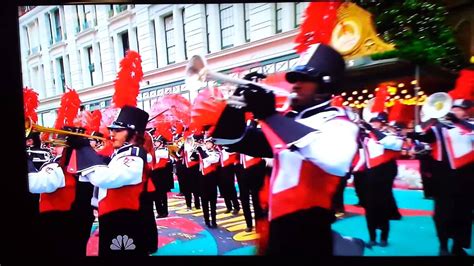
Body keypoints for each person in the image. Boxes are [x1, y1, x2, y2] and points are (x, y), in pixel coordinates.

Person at [211, 44, 360, 255]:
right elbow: (228, 140)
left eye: (304, 79)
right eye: (294, 79)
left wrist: (270, 116)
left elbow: (334, 160)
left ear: (326, 84)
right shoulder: (290, 120)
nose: (295, 85)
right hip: (277, 228)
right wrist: (236, 104)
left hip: (309, 234)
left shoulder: (341, 123)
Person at [70, 105, 158, 256]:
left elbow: (105, 178)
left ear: (134, 133)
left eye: (118, 130)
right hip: (112, 219)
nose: (112, 133)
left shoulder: (134, 155)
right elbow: (88, 179)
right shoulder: (120, 154)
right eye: (112, 130)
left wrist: (85, 148)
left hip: (123, 221)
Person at [410, 99, 473, 256]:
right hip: (443, 176)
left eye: (459, 109)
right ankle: (443, 245)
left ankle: (458, 246)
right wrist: (430, 120)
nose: (456, 111)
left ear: (465, 112)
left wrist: (457, 121)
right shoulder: (439, 127)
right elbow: (426, 137)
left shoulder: (470, 125)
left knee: (464, 213)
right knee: (442, 213)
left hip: (466, 176)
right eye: (454, 109)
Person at [26, 127, 96, 257]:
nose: (52, 147)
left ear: (67, 146)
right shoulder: (84, 165)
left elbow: (34, 184)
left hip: (56, 225)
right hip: (73, 224)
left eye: (56, 144)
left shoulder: (59, 167)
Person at [358, 112, 403, 247]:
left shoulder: (392, 134)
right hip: (369, 174)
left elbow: (393, 144)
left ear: (383, 123)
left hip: (384, 174)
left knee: (383, 205)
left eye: (377, 121)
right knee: (369, 207)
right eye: (372, 122)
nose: (374, 123)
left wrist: (372, 130)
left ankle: (383, 237)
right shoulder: (366, 136)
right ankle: (372, 237)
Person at [195, 137, 221, 228]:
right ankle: (207, 220)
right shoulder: (202, 152)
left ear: (213, 145)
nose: (207, 145)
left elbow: (210, 160)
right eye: (206, 143)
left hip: (212, 179)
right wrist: (194, 150)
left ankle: (214, 220)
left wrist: (201, 151)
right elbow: (192, 159)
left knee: (213, 202)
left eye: (209, 143)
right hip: (202, 179)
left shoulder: (216, 153)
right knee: (204, 201)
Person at [150, 137, 174, 218]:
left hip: (160, 174)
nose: (155, 143)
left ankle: (163, 211)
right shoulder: (156, 150)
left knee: (162, 194)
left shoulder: (163, 151)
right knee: (156, 194)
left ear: (162, 143)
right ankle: (160, 211)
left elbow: (155, 155)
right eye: (155, 142)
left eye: (157, 142)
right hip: (155, 174)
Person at [216, 145, 240, 214]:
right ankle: (228, 207)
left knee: (231, 189)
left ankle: (236, 206)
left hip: (229, 169)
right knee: (224, 189)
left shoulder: (228, 148)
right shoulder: (217, 149)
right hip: (221, 170)